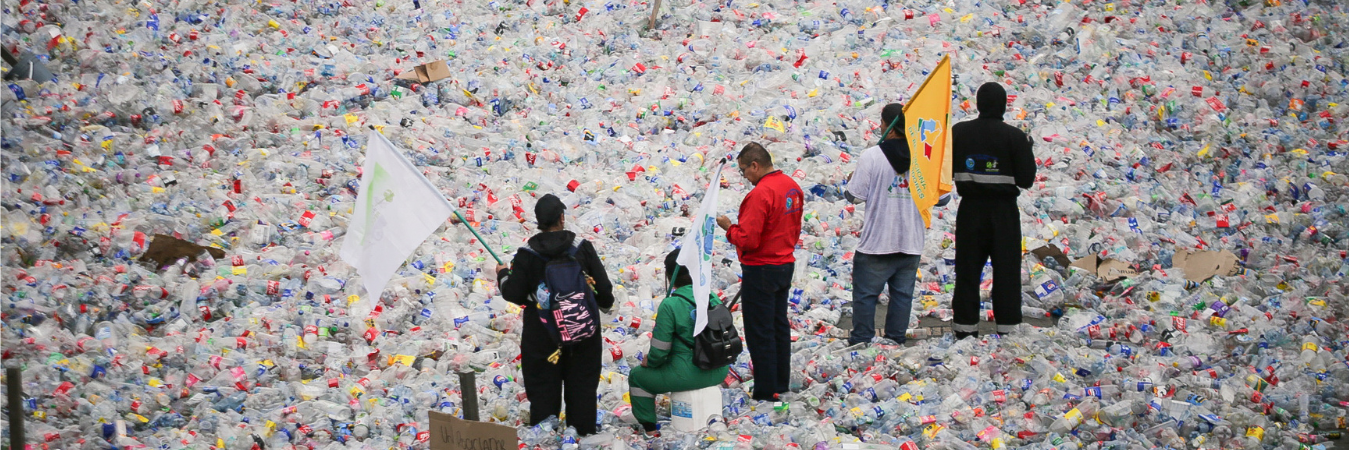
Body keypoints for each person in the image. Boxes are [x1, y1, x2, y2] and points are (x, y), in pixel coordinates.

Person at [496, 194, 615, 435]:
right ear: (562, 217)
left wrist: (503, 274)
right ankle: (581, 434)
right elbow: (604, 291)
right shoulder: (581, 247)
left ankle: (545, 435)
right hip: (581, 329)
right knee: (582, 385)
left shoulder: (526, 253)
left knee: (542, 385)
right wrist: (604, 304)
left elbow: (514, 294)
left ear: (538, 221)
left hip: (542, 332)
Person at [715, 143, 803, 401]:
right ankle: (780, 382)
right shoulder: (791, 186)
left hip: (761, 268)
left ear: (755, 165)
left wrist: (729, 228)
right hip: (784, 263)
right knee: (778, 326)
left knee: (760, 331)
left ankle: (766, 390)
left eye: (744, 171)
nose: (744, 176)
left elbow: (749, 239)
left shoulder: (760, 194)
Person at [949, 82, 1037, 340]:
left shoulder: (959, 132)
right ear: (1003, 105)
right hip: (1004, 214)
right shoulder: (1015, 137)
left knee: (967, 270)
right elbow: (1026, 180)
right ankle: (1007, 330)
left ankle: (965, 329)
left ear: (978, 104)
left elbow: (945, 168)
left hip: (970, 211)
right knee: (1006, 271)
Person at [844, 103, 926, 346]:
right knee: (902, 297)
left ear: (890, 127)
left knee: (865, 297)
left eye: (881, 123)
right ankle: (895, 342)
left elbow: (853, 196)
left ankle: (861, 342)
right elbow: (941, 198)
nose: (879, 128)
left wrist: (851, 179)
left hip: (877, 243)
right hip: (910, 241)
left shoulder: (872, 156)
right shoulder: (923, 158)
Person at [626, 249, 731, 436]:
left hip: (688, 374)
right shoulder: (711, 296)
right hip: (718, 370)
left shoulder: (671, 304)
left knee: (637, 377)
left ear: (669, 275)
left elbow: (659, 350)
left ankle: (650, 429)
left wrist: (649, 362)